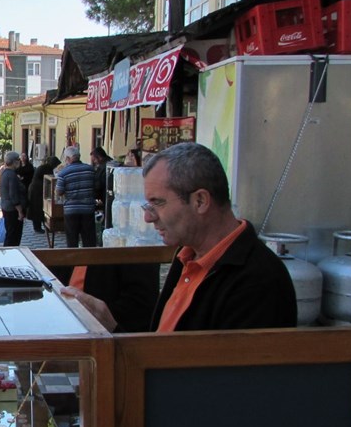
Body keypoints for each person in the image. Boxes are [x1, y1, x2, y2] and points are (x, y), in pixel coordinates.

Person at [61, 142, 296, 332]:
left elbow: (220, 384)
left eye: (158, 203)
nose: (148, 218)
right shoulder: (186, 256)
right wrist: (112, 326)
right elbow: (163, 351)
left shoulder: (258, 281)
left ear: (200, 201)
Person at [54, 146, 97, 248]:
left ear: (68, 159)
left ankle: (74, 262)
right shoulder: (90, 170)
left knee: (72, 240)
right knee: (89, 240)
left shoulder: (63, 173)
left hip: (71, 210)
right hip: (88, 209)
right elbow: (95, 187)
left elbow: (59, 192)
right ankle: (89, 262)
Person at [0, 151, 27, 246]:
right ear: (14, 162)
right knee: (13, 235)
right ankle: (10, 254)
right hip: (12, 209)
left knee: (10, 233)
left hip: (6, 206)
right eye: (18, 160)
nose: (19, 162)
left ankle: (8, 253)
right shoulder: (11, 175)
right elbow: (13, 194)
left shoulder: (5, 173)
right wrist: (20, 211)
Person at [27, 155, 60, 233]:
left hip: (39, 190)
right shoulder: (46, 168)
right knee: (37, 209)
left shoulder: (45, 167)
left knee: (39, 209)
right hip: (37, 191)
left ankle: (45, 226)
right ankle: (38, 227)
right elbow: (50, 178)